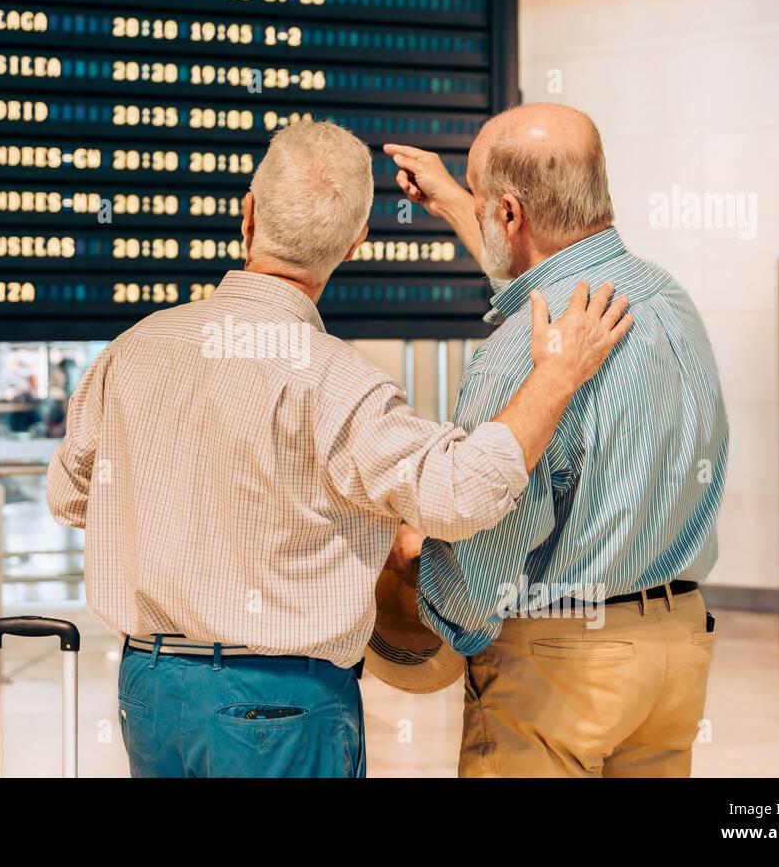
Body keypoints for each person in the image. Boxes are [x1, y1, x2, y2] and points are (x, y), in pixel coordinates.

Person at [47, 119, 631, 778]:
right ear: (356, 242)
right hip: (280, 705)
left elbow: (69, 495)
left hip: (151, 692)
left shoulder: (136, 348)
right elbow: (462, 490)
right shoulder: (336, 380)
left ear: (249, 214)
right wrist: (556, 373)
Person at [383, 103, 728, 777]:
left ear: (510, 215)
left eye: (485, 205)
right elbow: (534, 272)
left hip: (559, 664)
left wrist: (413, 574)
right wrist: (461, 201)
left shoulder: (519, 358)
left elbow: (486, 562)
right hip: (675, 649)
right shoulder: (670, 301)